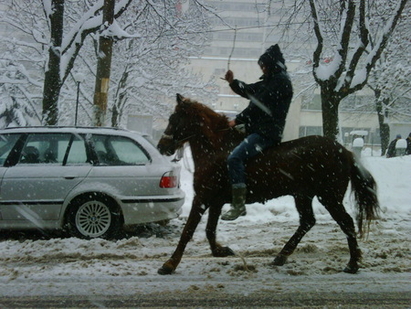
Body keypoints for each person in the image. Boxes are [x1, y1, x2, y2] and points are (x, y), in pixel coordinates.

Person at [221, 44, 293, 221]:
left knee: (234, 158)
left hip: (266, 133)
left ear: (272, 64)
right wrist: (233, 82)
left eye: (263, 65)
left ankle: (238, 205)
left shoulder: (279, 82)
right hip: (258, 128)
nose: (262, 68)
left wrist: (236, 120)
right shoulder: (271, 80)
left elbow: (256, 105)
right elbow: (250, 90)